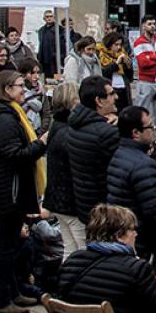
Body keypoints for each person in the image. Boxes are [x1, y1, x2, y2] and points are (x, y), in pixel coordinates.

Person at [0, 69, 48, 313]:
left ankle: (13, 291)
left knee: (13, 244)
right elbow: (14, 155)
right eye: (19, 86)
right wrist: (41, 143)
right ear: (6, 89)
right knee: (5, 247)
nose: (23, 89)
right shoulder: (3, 119)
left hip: (13, 189)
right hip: (9, 191)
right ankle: (1, 300)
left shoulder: (10, 114)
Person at [106, 106, 156, 263]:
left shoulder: (119, 154)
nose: (154, 128)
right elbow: (155, 210)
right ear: (135, 133)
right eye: (150, 126)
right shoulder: (144, 165)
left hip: (124, 231)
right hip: (140, 238)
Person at [65, 76, 121, 227]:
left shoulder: (75, 124)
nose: (116, 97)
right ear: (99, 100)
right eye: (111, 93)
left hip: (86, 207)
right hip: (106, 212)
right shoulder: (106, 133)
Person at [43, 82, 78, 243]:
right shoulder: (67, 131)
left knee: (69, 247)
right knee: (79, 246)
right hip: (69, 201)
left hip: (58, 199)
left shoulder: (57, 125)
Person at [133, 16, 156, 124]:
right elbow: (143, 63)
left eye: (154, 24)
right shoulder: (138, 42)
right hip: (145, 82)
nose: (153, 26)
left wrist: (151, 57)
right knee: (142, 111)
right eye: (149, 24)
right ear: (143, 26)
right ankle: (140, 136)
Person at [97, 31, 134, 112]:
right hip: (111, 89)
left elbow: (130, 78)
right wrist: (117, 62)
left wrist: (128, 66)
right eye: (116, 44)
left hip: (123, 90)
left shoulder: (123, 54)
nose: (119, 47)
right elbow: (104, 73)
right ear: (109, 44)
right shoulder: (101, 54)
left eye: (120, 44)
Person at [17, 57, 52, 135]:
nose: (36, 77)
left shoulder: (41, 92)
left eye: (37, 73)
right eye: (32, 73)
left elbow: (46, 114)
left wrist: (40, 132)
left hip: (37, 132)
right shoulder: (17, 91)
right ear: (23, 74)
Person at [36, 10, 60, 78]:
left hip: (55, 61)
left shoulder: (59, 30)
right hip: (44, 61)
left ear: (54, 18)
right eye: (47, 17)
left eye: (51, 16)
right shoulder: (41, 30)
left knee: (56, 79)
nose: (49, 18)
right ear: (44, 18)